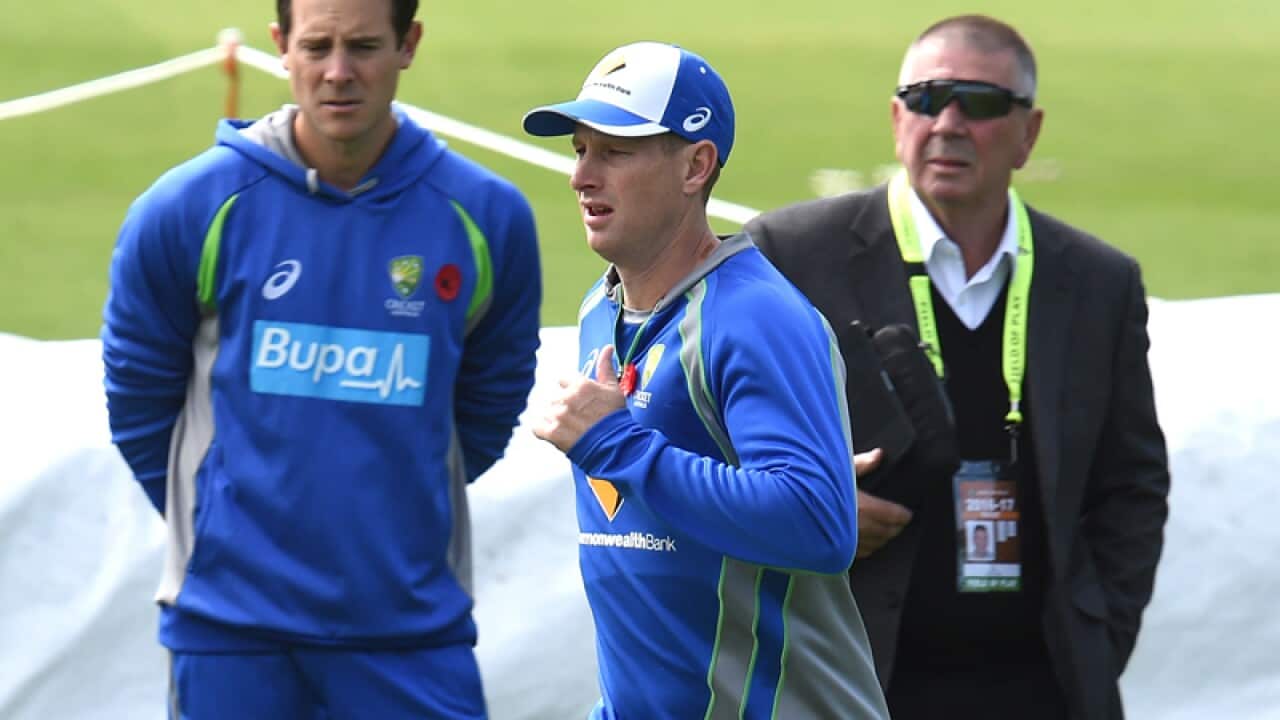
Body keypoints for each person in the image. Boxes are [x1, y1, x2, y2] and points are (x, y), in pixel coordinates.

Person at [101, 0, 541, 716]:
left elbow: (491, 400)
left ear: (409, 45)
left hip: (409, 629)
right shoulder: (188, 208)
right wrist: (224, 518)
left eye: (364, 46)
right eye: (318, 46)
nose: (339, 73)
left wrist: (395, 504)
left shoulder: (485, 217)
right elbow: (139, 402)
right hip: (230, 628)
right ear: (281, 46)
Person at [746, 14, 1169, 720]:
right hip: (853, 685)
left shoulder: (1098, 282)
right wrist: (815, 511)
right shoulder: (792, 256)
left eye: (977, 102)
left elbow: (1132, 482)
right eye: (924, 98)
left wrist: (1098, 637)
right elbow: (710, 444)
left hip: (1042, 689)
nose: (946, 122)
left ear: (1028, 133)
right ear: (894, 117)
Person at [521, 41, 889, 719]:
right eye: (580, 149)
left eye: (616, 151)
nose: (581, 176)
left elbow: (818, 524)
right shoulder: (599, 311)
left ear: (696, 166)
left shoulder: (754, 317)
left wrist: (617, 447)